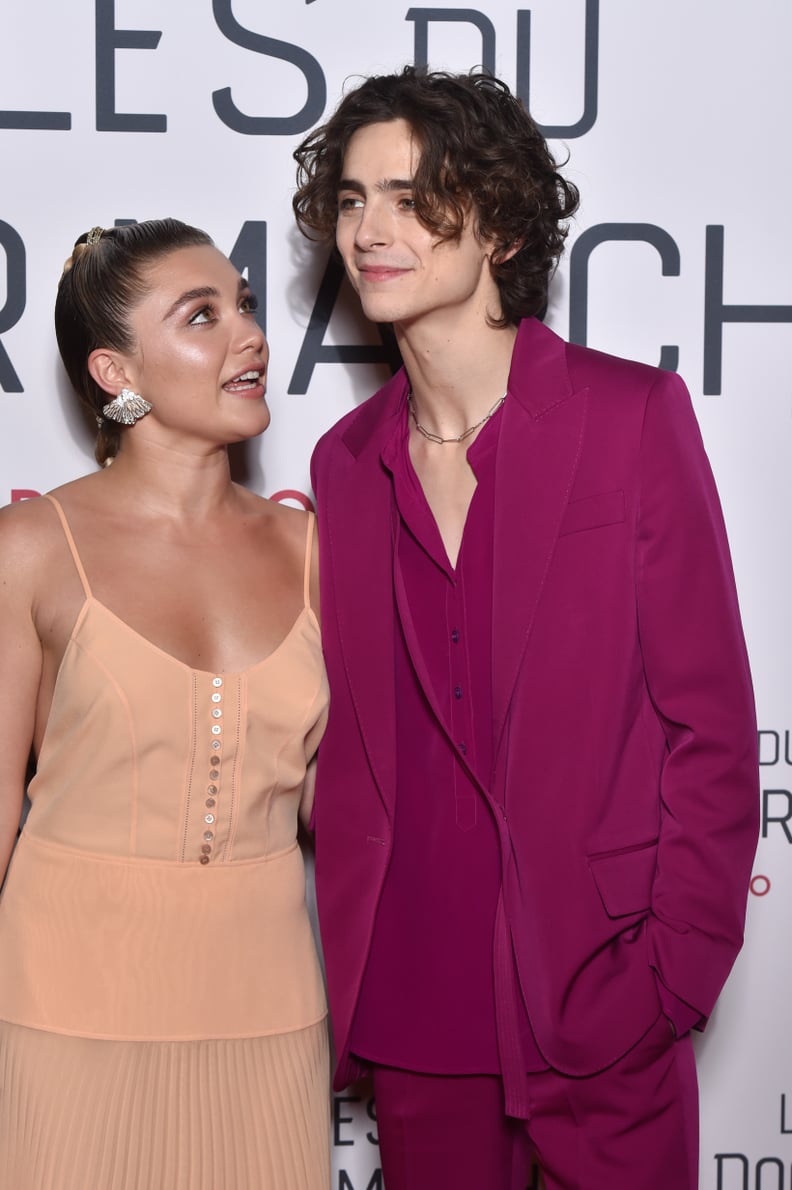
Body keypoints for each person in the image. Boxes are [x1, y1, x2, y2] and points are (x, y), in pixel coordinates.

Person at [293, 67, 759, 1189]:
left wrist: (671, 978)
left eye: (411, 195)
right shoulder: (344, 467)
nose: (372, 228)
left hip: (600, 996)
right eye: (353, 200)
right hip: (413, 1004)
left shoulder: (628, 419)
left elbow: (712, 725)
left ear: (497, 220)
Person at [0, 219, 330, 1189]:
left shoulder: (315, 552)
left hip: (268, 1014)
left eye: (246, 306)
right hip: (63, 1010)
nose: (251, 336)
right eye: (202, 315)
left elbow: (346, 819)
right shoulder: (30, 545)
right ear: (115, 369)